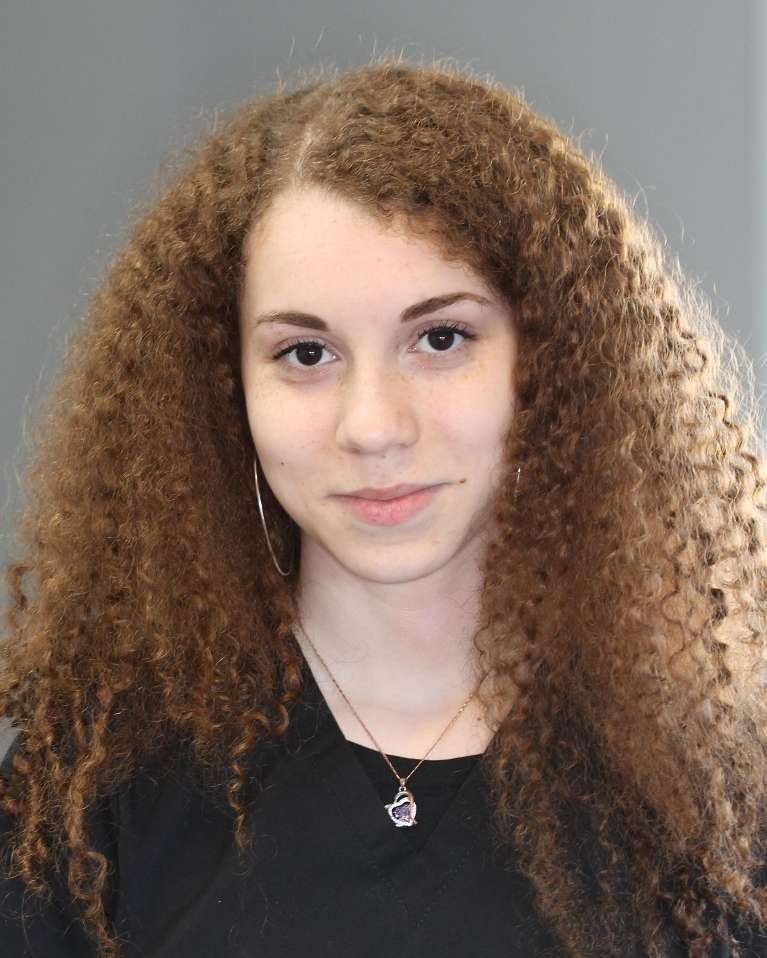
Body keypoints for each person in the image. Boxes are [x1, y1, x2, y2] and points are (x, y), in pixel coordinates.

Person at [1, 53, 766, 958]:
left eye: (439, 338)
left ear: (552, 366)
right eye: (305, 355)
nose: (371, 427)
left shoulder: (718, 795)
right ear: (222, 391)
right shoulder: (92, 787)